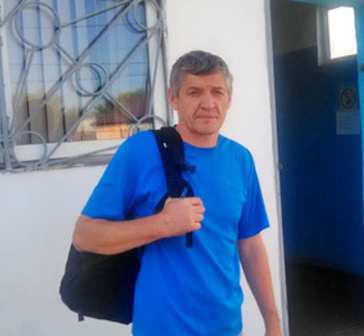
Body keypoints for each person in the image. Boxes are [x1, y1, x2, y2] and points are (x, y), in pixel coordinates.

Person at [72, 50, 281, 335]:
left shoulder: (240, 159)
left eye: (217, 92)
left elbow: (250, 244)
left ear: (228, 99)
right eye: (194, 92)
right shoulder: (141, 152)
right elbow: (85, 236)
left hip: (227, 327)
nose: (208, 103)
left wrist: (272, 320)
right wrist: (161, 225)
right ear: (173, 98)